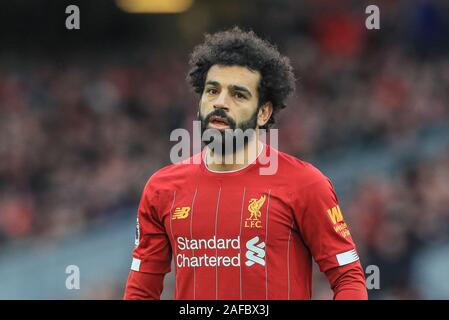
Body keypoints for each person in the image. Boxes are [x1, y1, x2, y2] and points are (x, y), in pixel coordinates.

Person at [124, 26, 367, 300]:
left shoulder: (306, 184)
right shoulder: (161, 189)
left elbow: (348, 277)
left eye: (238, 94)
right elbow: (141, 291)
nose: (220, 103)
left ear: (263, 112)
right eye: (212, 91)